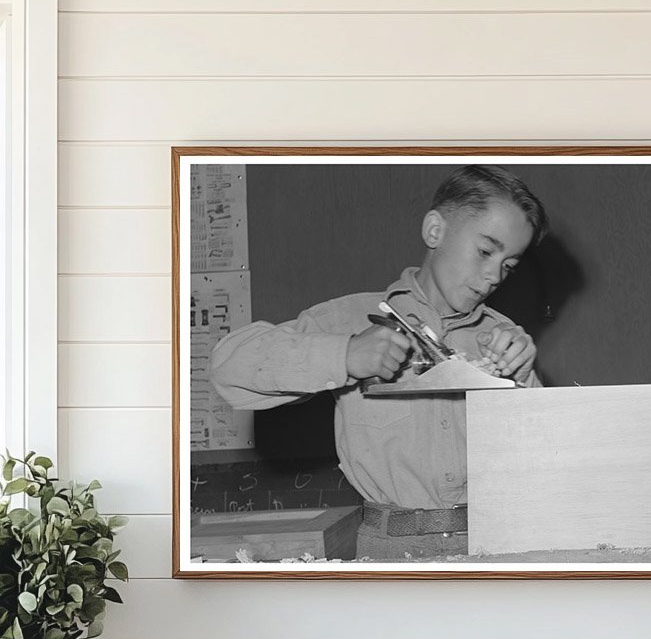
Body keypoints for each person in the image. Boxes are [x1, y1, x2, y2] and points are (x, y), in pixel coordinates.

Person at [210, 165, 548, 560]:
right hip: (390, 548)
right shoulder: (350, 319)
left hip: (499, 542)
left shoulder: (504, 337)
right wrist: (346, 354)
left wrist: (523, 379)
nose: (493, 276)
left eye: (509, 265)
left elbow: (548, 459)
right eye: (486, 251)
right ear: (435, 231)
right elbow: (228, 368)